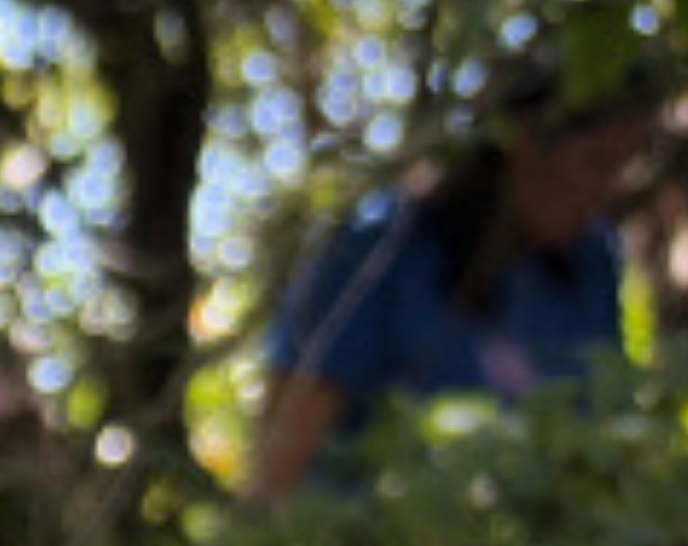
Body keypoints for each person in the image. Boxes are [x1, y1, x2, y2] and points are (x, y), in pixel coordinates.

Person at [246, 61, 669, 500]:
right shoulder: (378, 251)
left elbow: (605, 455)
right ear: (524, 141)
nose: (609, 188)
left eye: (626, 166)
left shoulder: (591, 267)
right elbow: (280, 459)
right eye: (597, 162)